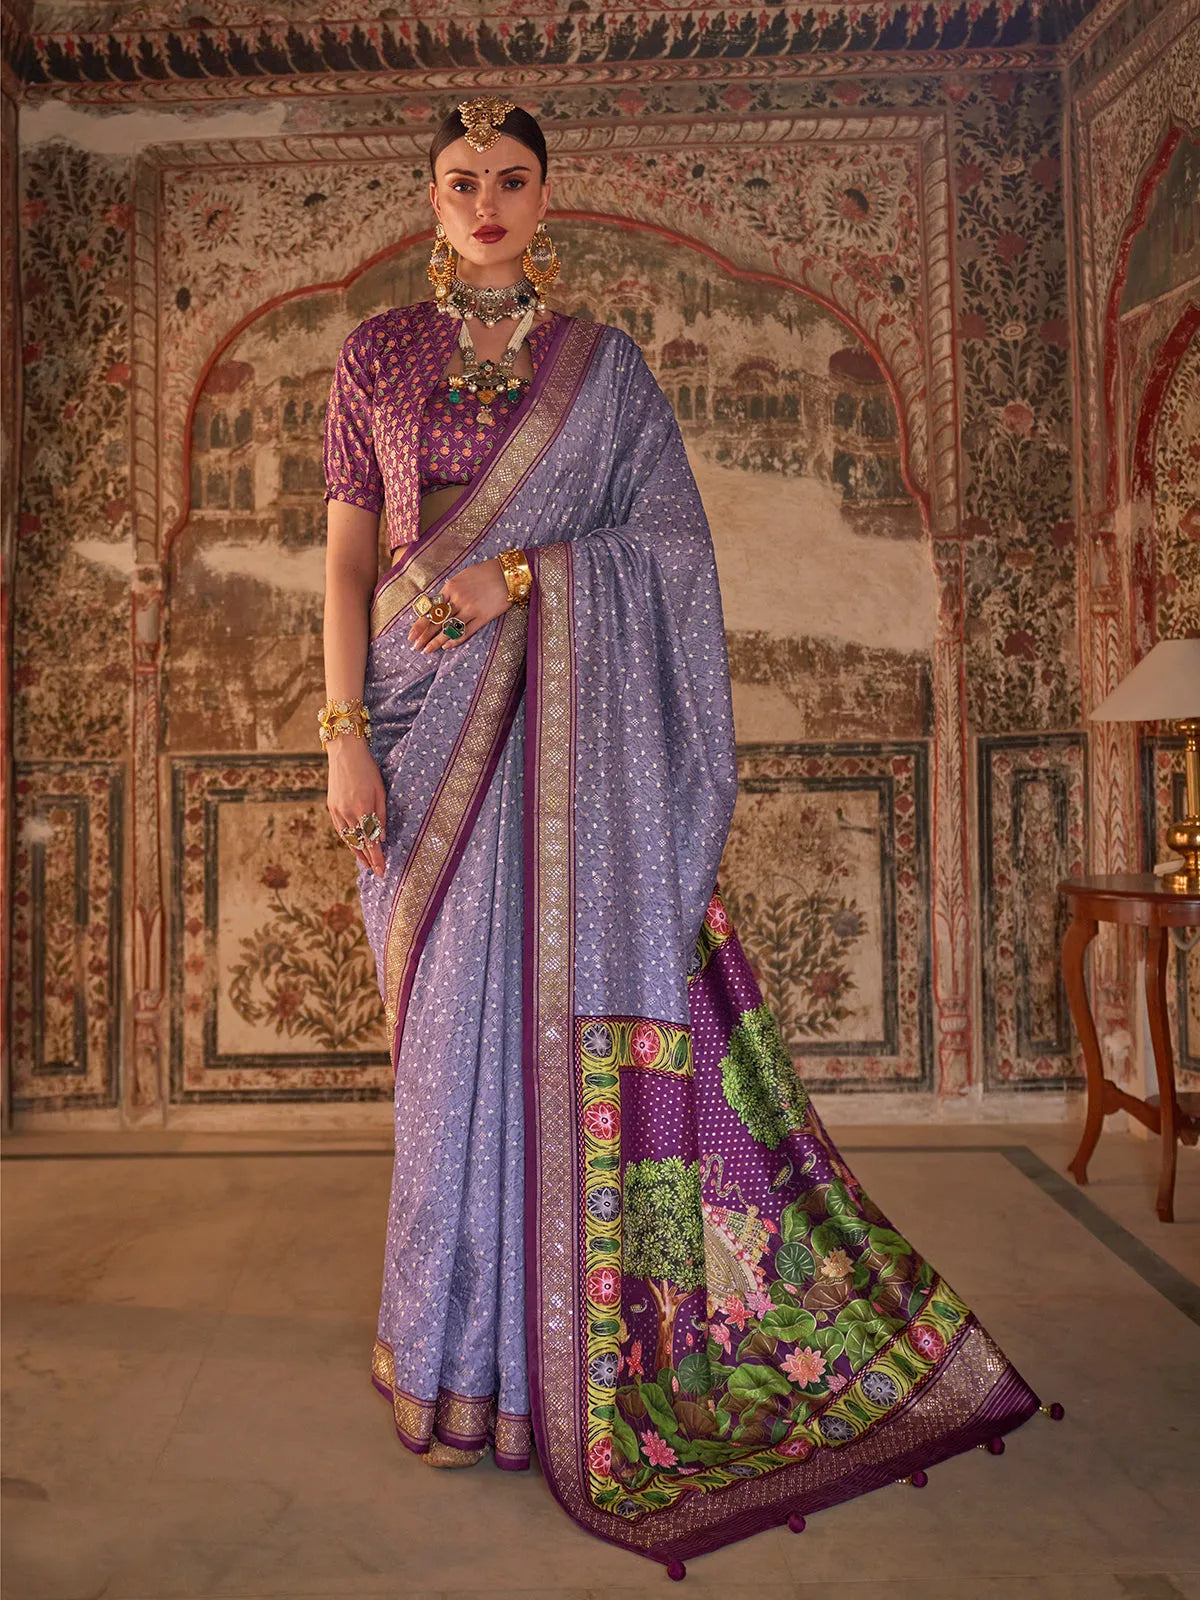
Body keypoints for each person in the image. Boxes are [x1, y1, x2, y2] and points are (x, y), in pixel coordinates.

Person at [320, 97, 1048, 1577]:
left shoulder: (608, 371)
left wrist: (526, 572)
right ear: (430, 198)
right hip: (420, 726)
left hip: (570, 751)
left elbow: (666, 550)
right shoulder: (376, 356)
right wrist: (341, 731)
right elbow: (342, 563)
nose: (485, 200)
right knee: (448, 1057)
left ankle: (571, 1368)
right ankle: (454, 1358)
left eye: (511, 178)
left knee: (566, 1039)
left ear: (547, 196)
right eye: (460, 180)